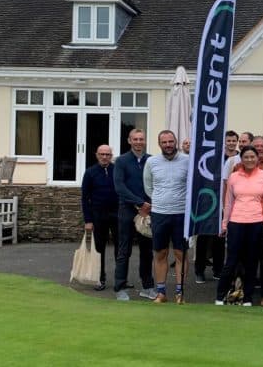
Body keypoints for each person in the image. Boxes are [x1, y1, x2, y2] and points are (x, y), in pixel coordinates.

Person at [216, 146, 263, 307]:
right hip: (236, 222)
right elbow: (228, 202)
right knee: (231, 261)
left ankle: (247, 298)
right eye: (246, 157)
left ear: (257, 158)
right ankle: (220, 296)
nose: (249, 160)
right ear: (241, 159)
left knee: (251, 262)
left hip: (257, 222)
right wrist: (224, 224)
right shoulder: (234, 177)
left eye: (252, 157)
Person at [143, 130, 189, 304]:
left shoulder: (187, 160)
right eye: (164, 142)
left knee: (180, 254)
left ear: (175, 142)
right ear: (159, 144)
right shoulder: (151, 162)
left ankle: (179, 293)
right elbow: (148, 187)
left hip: (181, 214)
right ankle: (161, 293)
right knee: (160, 253)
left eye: (171, 141)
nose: (168, 145)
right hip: (160, 213)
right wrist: (160, 200)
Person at [112, 129, 155, 301]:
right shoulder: (121, 161)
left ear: (145, 141)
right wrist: (139, 203)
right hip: (128, 210)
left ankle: (147, 287)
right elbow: (119, 187)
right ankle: (119, 287)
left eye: (141, 139)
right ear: (129, 141)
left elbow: (156, 183)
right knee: (124, 250)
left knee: (147, 251)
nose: (138, 142)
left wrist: (148, 204)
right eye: (135, 139)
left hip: (147, 211)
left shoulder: (151, 160)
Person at [81, 144, 118, 291]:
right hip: (98, 215)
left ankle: (120, 280)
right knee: (99, 248)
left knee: (121, 249)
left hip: (117, 214)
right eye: (102, 154)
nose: (104, 157)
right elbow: (85, 198)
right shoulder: (90, 172)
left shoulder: (117, 170)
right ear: (97, 155)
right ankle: (100, 279)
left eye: (107, 154)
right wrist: (88, 220)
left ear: (111, 156)